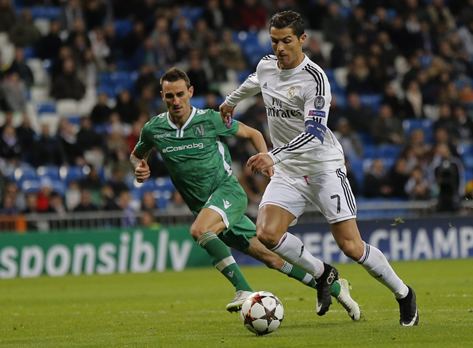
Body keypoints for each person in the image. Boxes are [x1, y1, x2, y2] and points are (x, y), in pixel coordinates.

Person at [219, 10, 418, 326]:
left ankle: (404, 294)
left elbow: (313, 133)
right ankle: (323, 273)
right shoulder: (267, 65)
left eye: (286, 41)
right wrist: (231, 102)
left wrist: (273, 155)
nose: (280, 48)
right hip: (288, 171)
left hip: (324, 168)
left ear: (302, 40)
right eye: (274, 41)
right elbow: (255, 81)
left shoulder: (315, 80)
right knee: (267, 234)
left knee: (351, 247)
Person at [131, 67, 360, 320]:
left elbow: (254, 133)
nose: (176, 101)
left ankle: (243, 290)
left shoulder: (210, 119)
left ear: (191, 92)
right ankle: (338, 287)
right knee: (272, 259)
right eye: (169, 96)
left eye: (180, 94)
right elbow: (137, 155)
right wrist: (139, 169)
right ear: (161, 96)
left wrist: (269, 162)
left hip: (227, 193)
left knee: (199, 230)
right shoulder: (153, 129)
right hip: (208, 209)